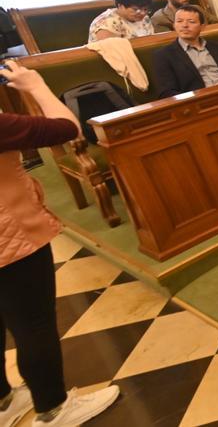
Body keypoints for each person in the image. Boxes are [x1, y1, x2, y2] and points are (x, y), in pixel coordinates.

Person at [0, 60, 122, 427]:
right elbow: (67, 128)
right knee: (32, 324)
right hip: (10, 235)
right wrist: (35, 85)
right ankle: (53, 409)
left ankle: (4, 401)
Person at [151, 5, 218, 98]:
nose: (184, 25)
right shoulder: (164, 55)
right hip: (197, 102)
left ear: (202, 27)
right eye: (179, 21)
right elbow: (167, 92)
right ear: (174, 25)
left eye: (191, 22)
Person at [87, 0, 155, 42]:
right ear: (120, 6)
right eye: (135, 9)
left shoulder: (144, 18)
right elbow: (110, 51)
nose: (143, 13)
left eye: (145, 9)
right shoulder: (106, 23)